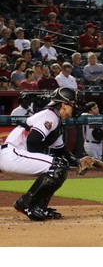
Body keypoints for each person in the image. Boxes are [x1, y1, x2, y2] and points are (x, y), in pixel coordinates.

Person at [0, 87, 84, 221]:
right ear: (63, 105)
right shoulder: (49, 115)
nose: (77, 108)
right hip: (12, 153)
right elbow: (33, 140)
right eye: (74, 105)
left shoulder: (56, 120)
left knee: (59, 164)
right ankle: (26, 203)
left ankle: (39, 207)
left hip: (15, 154)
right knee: (57, 165)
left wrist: (79, 161)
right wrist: (43, 160)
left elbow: (61, 151)